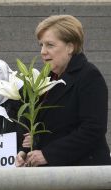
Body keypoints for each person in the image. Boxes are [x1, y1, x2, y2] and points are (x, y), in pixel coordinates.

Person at [17, 15, 111, 166]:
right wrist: (25, 151)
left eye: (50, 45)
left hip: (82, 172)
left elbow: (93, 129)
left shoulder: (89, 76)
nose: (43, 51)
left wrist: (48, 154)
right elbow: (43, 126)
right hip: (55, 173)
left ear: (70, 47)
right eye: (41, 45)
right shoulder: (47, 77)